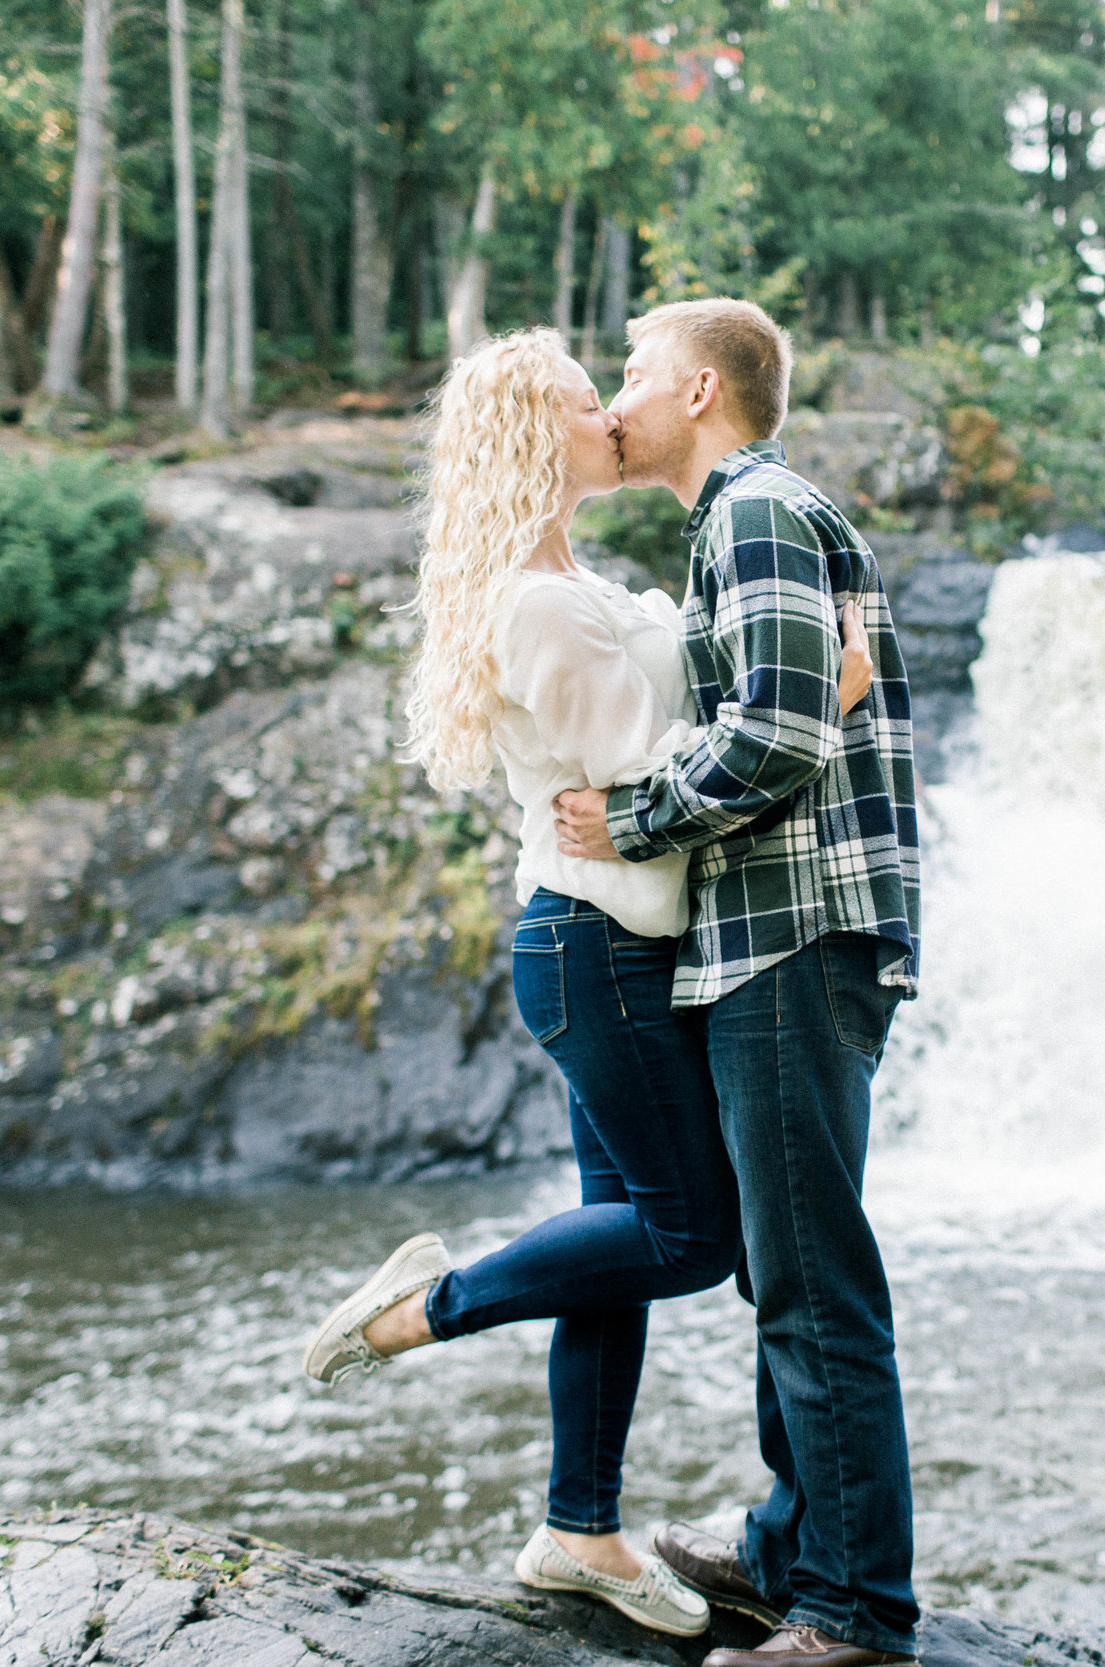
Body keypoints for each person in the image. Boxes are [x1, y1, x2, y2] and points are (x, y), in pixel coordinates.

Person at [297, 325, 874, 1639]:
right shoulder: (543, 602)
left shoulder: (567, 577)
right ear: (531, 437)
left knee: (611, 1252)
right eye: (582, 402)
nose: (611, 415)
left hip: (609, 944)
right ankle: (414, 1314)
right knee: (692, 1237)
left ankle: (578, 1525)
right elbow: (652, 767)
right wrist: (816, 700)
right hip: (596, 948)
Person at [553, 298, 926, 1667]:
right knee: (782, 1267)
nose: (616, 399)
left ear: (701, 390)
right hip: (774, 935)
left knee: (814, 1279)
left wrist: (630, 817)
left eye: (637, 374)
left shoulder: (757, 512)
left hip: (793, 933)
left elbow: (778, 734)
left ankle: (855, 1613)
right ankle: (790, 1555)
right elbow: (793, 705)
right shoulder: (741, 524)